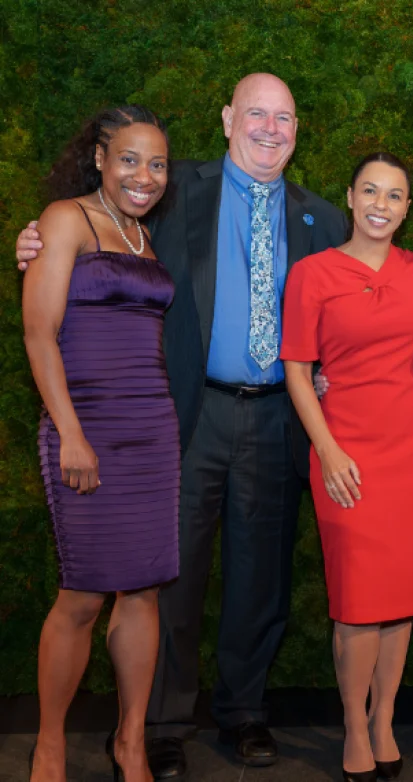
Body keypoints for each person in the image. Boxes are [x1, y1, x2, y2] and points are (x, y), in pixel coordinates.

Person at [16, 73, 348, 780]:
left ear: (297, 129)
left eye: (284, 117)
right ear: (228, 117)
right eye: (255, 112)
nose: (269, 127)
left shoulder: (323, 219)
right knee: (165, 578)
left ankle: (244, 711)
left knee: (261, 576)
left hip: (275, 416)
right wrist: (34, 242)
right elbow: (90, 237)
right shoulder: (169, 190)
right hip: (182, 414)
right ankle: (160, 725)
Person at [281, 152, 413, 782]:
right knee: (356, 602)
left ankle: (385, 721)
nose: (381, 204)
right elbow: (297, 368)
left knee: (400, 603)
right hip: (345, 454)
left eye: (395, 195)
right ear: (349, 197)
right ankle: (354, 723)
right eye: (370, 191)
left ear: (408, 208)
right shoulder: (312, 273)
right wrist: (327, 449)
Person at [23, 105, 175, 782]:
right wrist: (72, 434)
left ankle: (131, 742)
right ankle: (49, 744)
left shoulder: (144, 235)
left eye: (158, 163)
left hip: (152, 430)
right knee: (82, 594)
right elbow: (38, 335)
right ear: (100, 159)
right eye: (130, 159)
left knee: (143, 592)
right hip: (86, 427)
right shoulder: (65, 220)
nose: (145, 175)